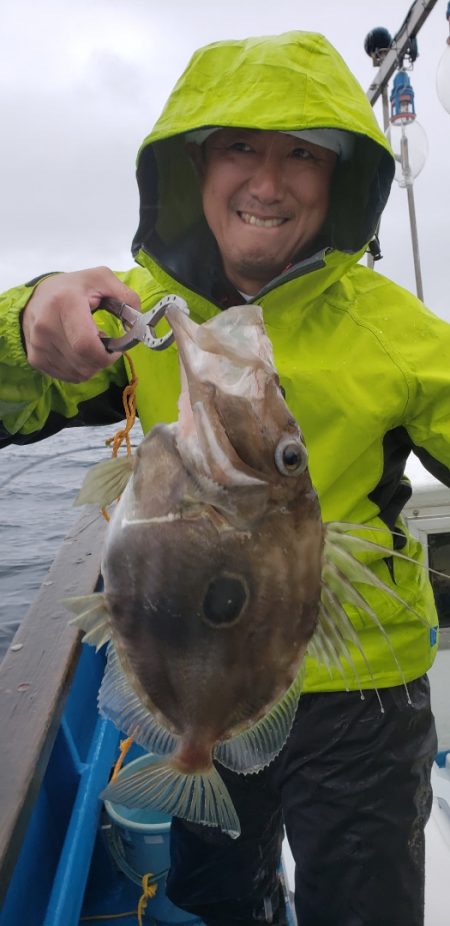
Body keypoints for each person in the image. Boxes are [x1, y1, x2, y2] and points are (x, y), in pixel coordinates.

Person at [0, 30, 448, 926]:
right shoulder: (129, 319)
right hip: (200, 677)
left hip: (366, 694)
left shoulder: (396, 334)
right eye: (239, 146)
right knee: (220, 902)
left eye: (304, 155)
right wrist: (27, 319)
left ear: (342, 178)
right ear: (191, 168)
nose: (268, 182)